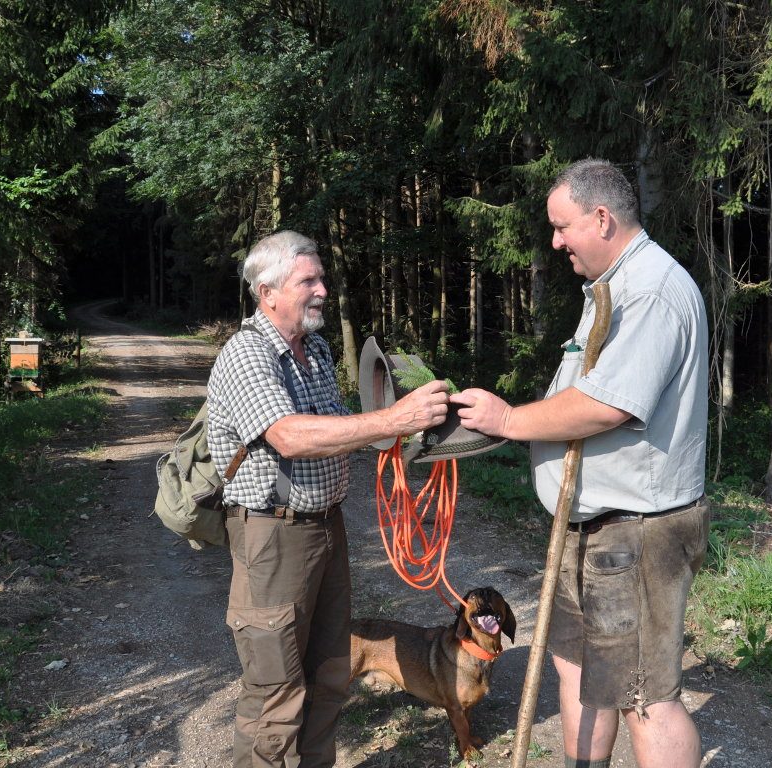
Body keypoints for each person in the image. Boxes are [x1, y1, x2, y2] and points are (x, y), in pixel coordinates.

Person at [451, 158, 710, 768]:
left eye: (562, 226)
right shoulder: (610, 289)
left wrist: (508, 420)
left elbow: (606, 405)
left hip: (636, 533)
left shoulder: (652, 291)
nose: (555, 241)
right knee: (576, 667)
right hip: (588, 528)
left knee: (643, 696)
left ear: (602, 218)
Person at [206, 230, 450, 768]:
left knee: (328, 675)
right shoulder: (247, 354)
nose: (322, 290)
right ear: (268, 293)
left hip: (325, 528)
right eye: (308, 281)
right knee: (275, 691)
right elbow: (290, 435)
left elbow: (341, 428)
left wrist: (418, 425)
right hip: (272, 535)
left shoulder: (313, 349)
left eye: (322, 278)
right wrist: (393, 419)